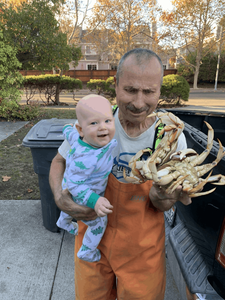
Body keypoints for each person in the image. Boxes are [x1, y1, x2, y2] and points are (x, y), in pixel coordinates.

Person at [49, 48, 191, 300]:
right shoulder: (96, 122)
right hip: (92, 239)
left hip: (142, 250)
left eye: (149, 92)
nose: (138, 103)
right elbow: (59, 160)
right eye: (130, 90)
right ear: (115, 85)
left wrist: (164, 196)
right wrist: (60, 198)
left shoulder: (170, 138)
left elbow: (162, 204)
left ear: (159, 90)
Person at [56, 94, 117, 262]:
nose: (102, 128)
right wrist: (95, 201)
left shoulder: (78, 137)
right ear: (82, 129)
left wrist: (66, 127)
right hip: (82, 192)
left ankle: (64, 222)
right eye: (94, 123)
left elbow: (69, 132)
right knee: (99, 223)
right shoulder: (87, 158)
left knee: (68, 209)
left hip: (69, 182)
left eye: (107, 121)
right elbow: (76, 186)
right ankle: (87, 251)